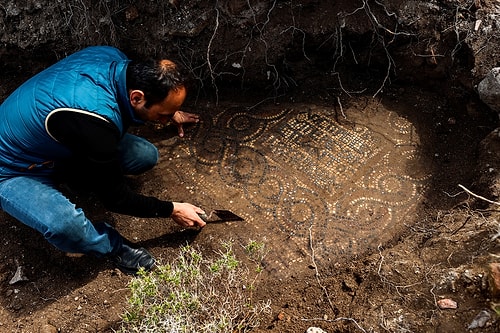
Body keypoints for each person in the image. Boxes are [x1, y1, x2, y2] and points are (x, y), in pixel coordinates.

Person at [0, 46, 207, 275]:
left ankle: (73, 178)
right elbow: (117, 199)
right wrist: (172, 209)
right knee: (66, 227)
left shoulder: (112, 57)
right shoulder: (94, 123)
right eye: (163, 114)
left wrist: (171, 111)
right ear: (136, 97)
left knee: (144, 156)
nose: (165, 120)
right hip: (12, 169)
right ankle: (110, 246)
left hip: (52, 141)